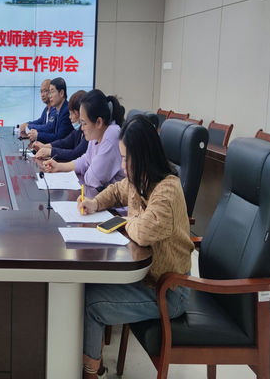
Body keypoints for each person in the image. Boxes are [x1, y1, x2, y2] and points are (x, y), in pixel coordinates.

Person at [76, 115, 193, 378]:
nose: (122, 165)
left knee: (91, 304)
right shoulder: (140, 178)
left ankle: (90, 372)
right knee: (85, 286)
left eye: (126, 159)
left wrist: (127, 220)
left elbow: (144, 232)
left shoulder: (167, 190)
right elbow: (117, 191)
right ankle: (93, 360)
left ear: (144, 157)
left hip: (168, 291)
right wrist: (95, 203)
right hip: (147, 279)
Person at [43, 89, 125, 191]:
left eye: (84, 123)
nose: (82, 128)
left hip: (115, 200)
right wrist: (59, 166)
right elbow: (85, 161)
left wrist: (88, 169)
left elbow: (93, 179)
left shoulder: (111, 135)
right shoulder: (97, 133)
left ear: (98, 122)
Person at [33, 90, 89, 162]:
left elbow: (75, 154)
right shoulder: (78, 131)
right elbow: (64, 142)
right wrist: (45, 146)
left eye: (72, 113)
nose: (70, 117)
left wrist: (50, 152)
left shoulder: (89, 134)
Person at [26, 77, 72, 144]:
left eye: (52, 92)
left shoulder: (66, 111)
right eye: (49, 93)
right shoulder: (58, 110)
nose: (49, 96)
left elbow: (59, 138)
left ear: (61, 93)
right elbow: (42, 121)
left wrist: (38, 135)